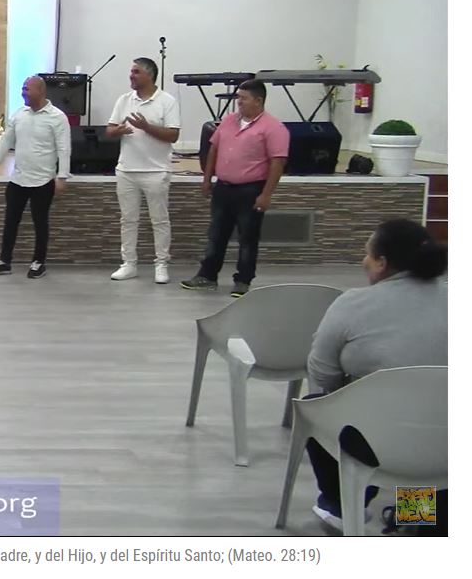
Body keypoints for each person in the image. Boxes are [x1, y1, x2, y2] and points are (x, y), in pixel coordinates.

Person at [304, 219, 447, 532]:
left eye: (367, 254)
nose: (363, 260)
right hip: (449, 443)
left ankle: (343, 504)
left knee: (315, 405)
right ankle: (420, 513)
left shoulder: (353, 303)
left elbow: (322, 376)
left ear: (382, 263)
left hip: (378, 442)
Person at [181, 79, 288, 297]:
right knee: (216, 234)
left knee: (247, 237)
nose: (238, 102)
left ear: (258, 100)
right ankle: (207, 276)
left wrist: (266, 195)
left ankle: (243, 280)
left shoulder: (274, 128)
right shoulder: (229, 120)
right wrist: (206, 179)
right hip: (223, 188)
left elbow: (278, 163)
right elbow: (213, 149)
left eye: (243, 98)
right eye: (238, 97)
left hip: (251, 190)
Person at [0, 75, 71, 279]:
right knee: (10, 221)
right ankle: (4, 261)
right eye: (22, 88)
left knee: (40, 223)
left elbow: (64, 148)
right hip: (18, 179)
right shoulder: (19, 114)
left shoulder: (57, 117)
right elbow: (6, 140)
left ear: (41, 91)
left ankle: (39, 262)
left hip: (43, 181)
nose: (23, 92)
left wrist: (62, 177)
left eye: (27, 89)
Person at [105, 57, 180, 284]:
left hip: (156, 171)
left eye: (136, 72)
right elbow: (109, 130)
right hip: (126, 170)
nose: (131, 75)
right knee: (128, 220)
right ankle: (129, 264)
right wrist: (118, 130)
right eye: (131, 71)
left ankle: (161, 265)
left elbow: (173, 135)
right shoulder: (124, 100)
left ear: (149, 75)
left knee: (159, 220)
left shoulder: (167, 101)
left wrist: (145, 127)